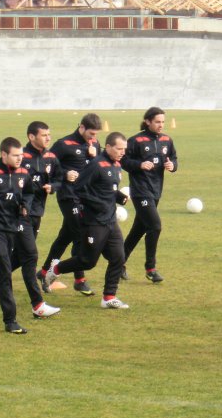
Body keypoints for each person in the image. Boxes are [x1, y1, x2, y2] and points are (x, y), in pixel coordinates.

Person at [45, 132, 131, 310]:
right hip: (93, 222)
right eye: (119, 149)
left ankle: (109, 297)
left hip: (110, 221)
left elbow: (106, 189)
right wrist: (94, 207)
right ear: (108, 147)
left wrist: (119, 196)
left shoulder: (116, 165)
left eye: (124, 149)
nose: (122, 152)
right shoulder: (96, 165)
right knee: (87, 261)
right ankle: (56, 269)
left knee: (118, 257)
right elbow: (78, 190)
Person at [0, 138, 60, 333]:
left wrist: (24, 205)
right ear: (4, 155)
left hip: (13, 227)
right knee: (4, 270)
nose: (20, 159)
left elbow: (29, 191)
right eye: (16, 156)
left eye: (21, 155)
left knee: (13, 262)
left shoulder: (23, 173)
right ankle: (11, 321)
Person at [38, 113, 102, 295]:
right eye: (91, 134)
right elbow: (46, 166)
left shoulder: (94, 145)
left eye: (96, 134)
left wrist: (94, 156)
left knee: (65, 236)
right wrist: (65, 174)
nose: (94, 138)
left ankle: (43, 272)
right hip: (68, 196)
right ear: (81, 127)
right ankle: (80, 280)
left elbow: (99, 166)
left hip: (86, 198)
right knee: (80, 236)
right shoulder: (63, 144)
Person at [121, 107, 178, 283]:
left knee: (138, 230)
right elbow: (123, 160)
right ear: (148, 121)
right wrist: (139, 165)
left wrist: (172, 166)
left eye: (163, 122)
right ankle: (150, 268)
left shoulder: (167, 140)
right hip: (140, 191)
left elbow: (174, 159)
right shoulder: (135, 140)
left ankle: (118, 263)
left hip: (155, 191)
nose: (161, 125)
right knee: (155, 226)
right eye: (157, 122)